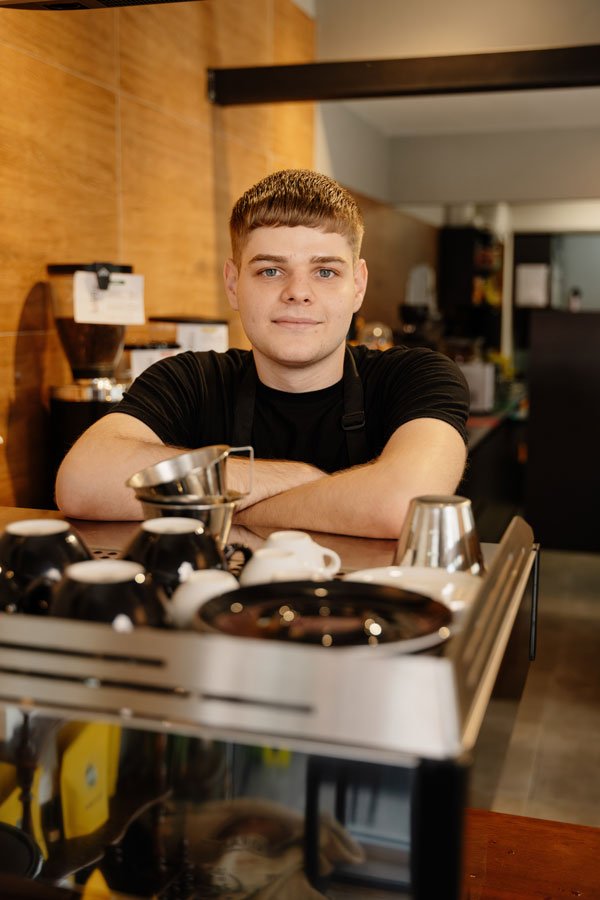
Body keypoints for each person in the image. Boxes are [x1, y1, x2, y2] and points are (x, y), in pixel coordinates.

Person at [56, 169, 469, 538]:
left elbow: (403, 505)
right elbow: (82, 481)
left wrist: (227, 507)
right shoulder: (191, 380)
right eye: (270, 270)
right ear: (233, 284)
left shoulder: (417, 376)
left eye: (325, 271)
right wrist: (297, 478)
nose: (298, 292)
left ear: (357, 286)